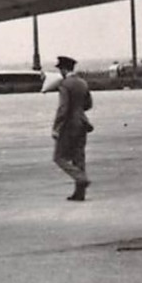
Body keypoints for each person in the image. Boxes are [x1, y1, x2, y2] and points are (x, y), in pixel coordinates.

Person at [48, 55, 93, 200]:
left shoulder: (65, 85)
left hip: (69, 126)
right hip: (82, 124)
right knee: (78, 157)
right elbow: (88, 104)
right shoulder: (82, 82)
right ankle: (80, 194)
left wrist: (56, 127)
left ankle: (81, 178)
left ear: (63, 69)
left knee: (59, 157)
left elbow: (63, 108)